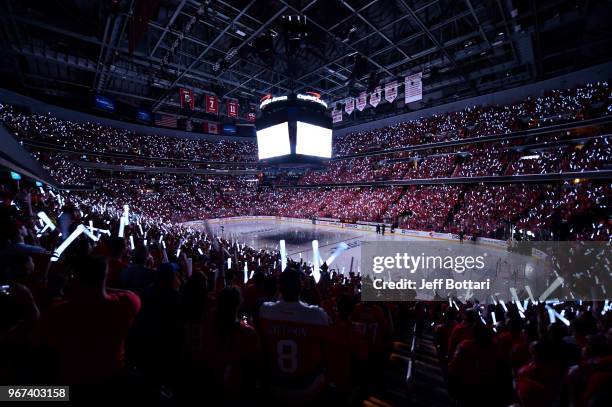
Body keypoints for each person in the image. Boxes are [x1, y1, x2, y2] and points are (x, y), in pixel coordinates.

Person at [33, 255, 141, 386]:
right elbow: (130, 293)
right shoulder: (126, 303)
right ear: (106, 275)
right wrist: (102, 287)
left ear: (76, 276)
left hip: (72, 379)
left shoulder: (58, 311)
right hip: (113, 376)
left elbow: (37, 340)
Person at [258, 267, 330, 403]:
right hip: (307, 388)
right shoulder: (316, 315)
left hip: (276, 385)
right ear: (302, 286)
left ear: (279, 288)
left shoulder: (265, 310)